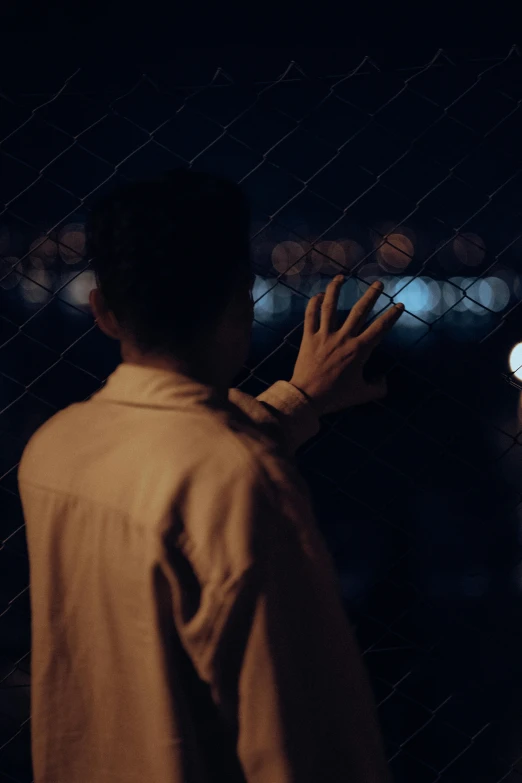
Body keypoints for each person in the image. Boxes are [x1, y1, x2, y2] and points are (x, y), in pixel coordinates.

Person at [18, 169, 404, 783]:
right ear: (239, 300)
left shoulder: (53, 450)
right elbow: (298, 736)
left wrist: (298, 400)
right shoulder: (242, 479)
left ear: (103, 312)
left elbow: (171, 458)